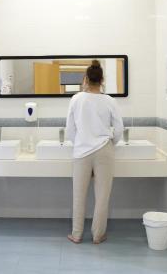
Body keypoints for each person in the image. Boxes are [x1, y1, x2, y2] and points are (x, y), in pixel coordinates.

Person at [65, 59, 124, 244]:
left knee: (78, 196)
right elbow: (119, 128)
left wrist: (81, 143)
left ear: (85, 79)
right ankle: (98, 235)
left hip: (82, 152)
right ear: (102, 80)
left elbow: (69, 130)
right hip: (104, 151)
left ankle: (76, 234)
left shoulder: (76, 99)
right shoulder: (109, 101)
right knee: (102, 196)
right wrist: (110, 143)